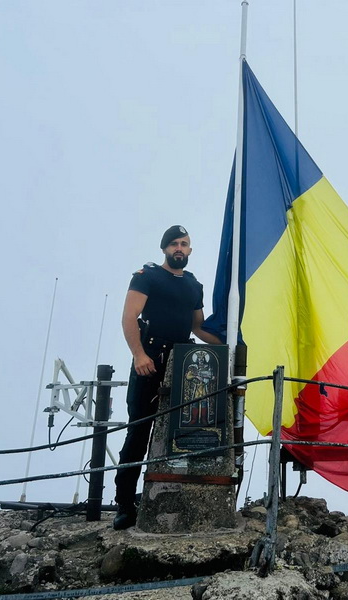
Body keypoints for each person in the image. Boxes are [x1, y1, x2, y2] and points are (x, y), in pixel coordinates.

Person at [113, 225, 222, 530]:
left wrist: (232, 344)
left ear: (189, 250)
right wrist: (138, 355)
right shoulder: (147, 276)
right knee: (139, 430)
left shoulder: (193, 285)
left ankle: (181, 498)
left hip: (183, 362)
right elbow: (128, 317)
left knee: (187, 428)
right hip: (150, 358)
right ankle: (124, 502)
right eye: (174, 243)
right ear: (164, 249)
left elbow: (199, 328)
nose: (179, 248)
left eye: (184, 244)